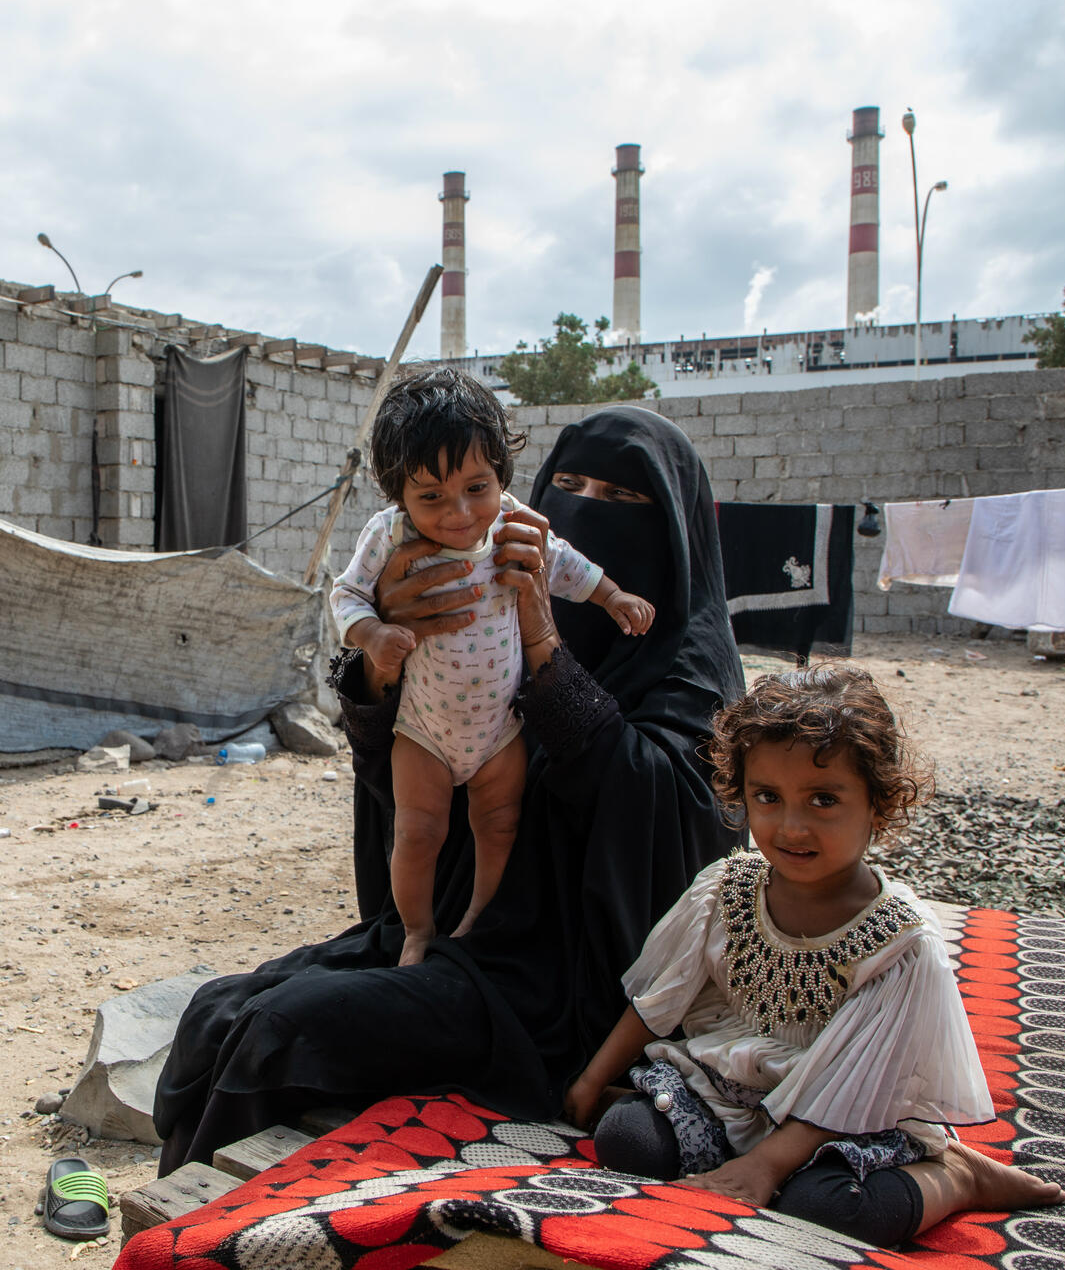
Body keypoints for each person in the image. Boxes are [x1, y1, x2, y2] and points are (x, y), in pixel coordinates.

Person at [153, 404, 745, 1174]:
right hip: (452, 932)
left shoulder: (690, 673)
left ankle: (219, 1247)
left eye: (622, 499)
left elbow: (665, 829)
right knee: (214, 1012)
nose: (586, 507)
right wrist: (383, 657)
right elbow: (400, 787)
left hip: (563, 987)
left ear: (673, 528)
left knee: (279, 1031)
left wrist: (545, 646)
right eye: (568, 484)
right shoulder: (471, 599)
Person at [565, 665, 1065, 1247]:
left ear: (879, 807)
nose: (791, 826)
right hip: (731, 1092)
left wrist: (767, 1167)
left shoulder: (900, 945)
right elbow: (658, 1000)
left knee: (829, 1208)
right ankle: (744, 1165)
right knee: (626, 1139)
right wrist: (593, 1078)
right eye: (768, 798)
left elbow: (857, 1080)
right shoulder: (725, 892)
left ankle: (957, 1174)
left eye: (823, 800)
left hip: (845, 1117)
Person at [329, 370, 654, 965]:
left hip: (501, 729)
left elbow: (569, 566)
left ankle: (478, 917)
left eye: (477, 487)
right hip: (423, 729)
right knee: (417, 832)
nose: (458, 513)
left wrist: (612, 598)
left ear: (502, 474)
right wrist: (373, 633)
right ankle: (418, 931)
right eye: (431, 497)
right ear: (398, 494)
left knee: (498, 823)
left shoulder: (513, 524)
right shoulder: (387, 536)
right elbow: (344, 595)